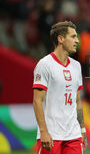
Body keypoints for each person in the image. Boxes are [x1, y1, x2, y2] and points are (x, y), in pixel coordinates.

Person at [33, 21, 87, 154]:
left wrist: (82, 130)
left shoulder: (76, 66)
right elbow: (37, 101)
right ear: (61, 39)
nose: (77, 41)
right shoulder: (44, 65)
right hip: (51, 135)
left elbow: (77, 101)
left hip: (73, 135)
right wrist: (43, 131)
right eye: (73, 37)